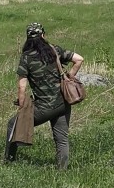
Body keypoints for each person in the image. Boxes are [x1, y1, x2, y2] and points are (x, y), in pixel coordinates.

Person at [6, 22, 83, 170]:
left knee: (13, 125)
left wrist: (22, 108)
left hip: (43, 107)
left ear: (28, 38)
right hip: (62, 104)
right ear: (43, 35)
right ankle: (62, 170)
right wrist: (69, 77)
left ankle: (9, 161)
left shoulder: (26, 58)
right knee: (61, 139)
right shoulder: (55, 50)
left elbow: (22, 87)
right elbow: (79, 59)